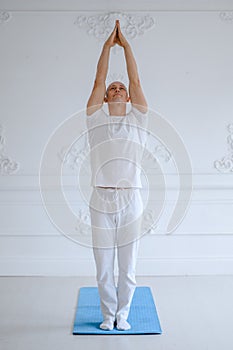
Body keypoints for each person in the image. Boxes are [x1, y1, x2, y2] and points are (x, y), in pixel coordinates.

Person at [86, 20, 148, 331]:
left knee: (128, 266)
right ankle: (107, 315)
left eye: (120, 87)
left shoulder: (139, 119)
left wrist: (128, 47)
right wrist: (106, 47)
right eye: (114, 88)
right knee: (103, 266)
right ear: (108, 98)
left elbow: (136, 81)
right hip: (101, 197)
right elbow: (98, 80)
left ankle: (122, 315)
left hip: (131, 198)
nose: (118, 88)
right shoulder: (96, 119)